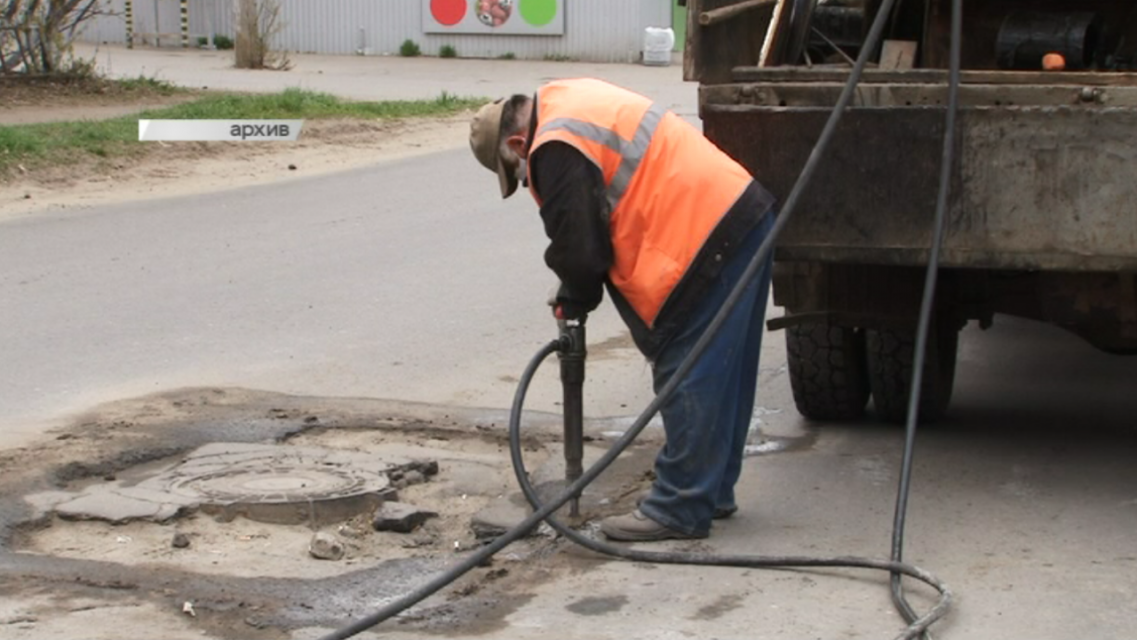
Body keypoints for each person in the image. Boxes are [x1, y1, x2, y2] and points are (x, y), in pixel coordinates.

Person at [468, 78, 777, 542]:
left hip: (701, 234)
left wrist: (574, 295)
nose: (527, 179)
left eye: (519, 172)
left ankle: (680, 505)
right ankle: (710, 491)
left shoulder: (553, 143)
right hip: (741, 212)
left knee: (688, 367)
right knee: (725, 371)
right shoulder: (567, 99)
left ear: (517, 144)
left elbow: (580, 246)